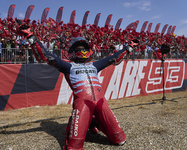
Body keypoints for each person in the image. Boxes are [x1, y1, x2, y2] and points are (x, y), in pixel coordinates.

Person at [16, 20, 138, 150]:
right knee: (74, 147)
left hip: (101, 103)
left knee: (119, 139)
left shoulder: (94, 65)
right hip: (83, 104)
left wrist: (128, 47)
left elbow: (114, 58)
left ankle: (92, 122)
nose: (82, 51)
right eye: (79, 49)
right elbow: (45, 57)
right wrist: (30, 36)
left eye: (84, 49)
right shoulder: (68, 66)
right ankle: (88, 122)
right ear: (72, 51)